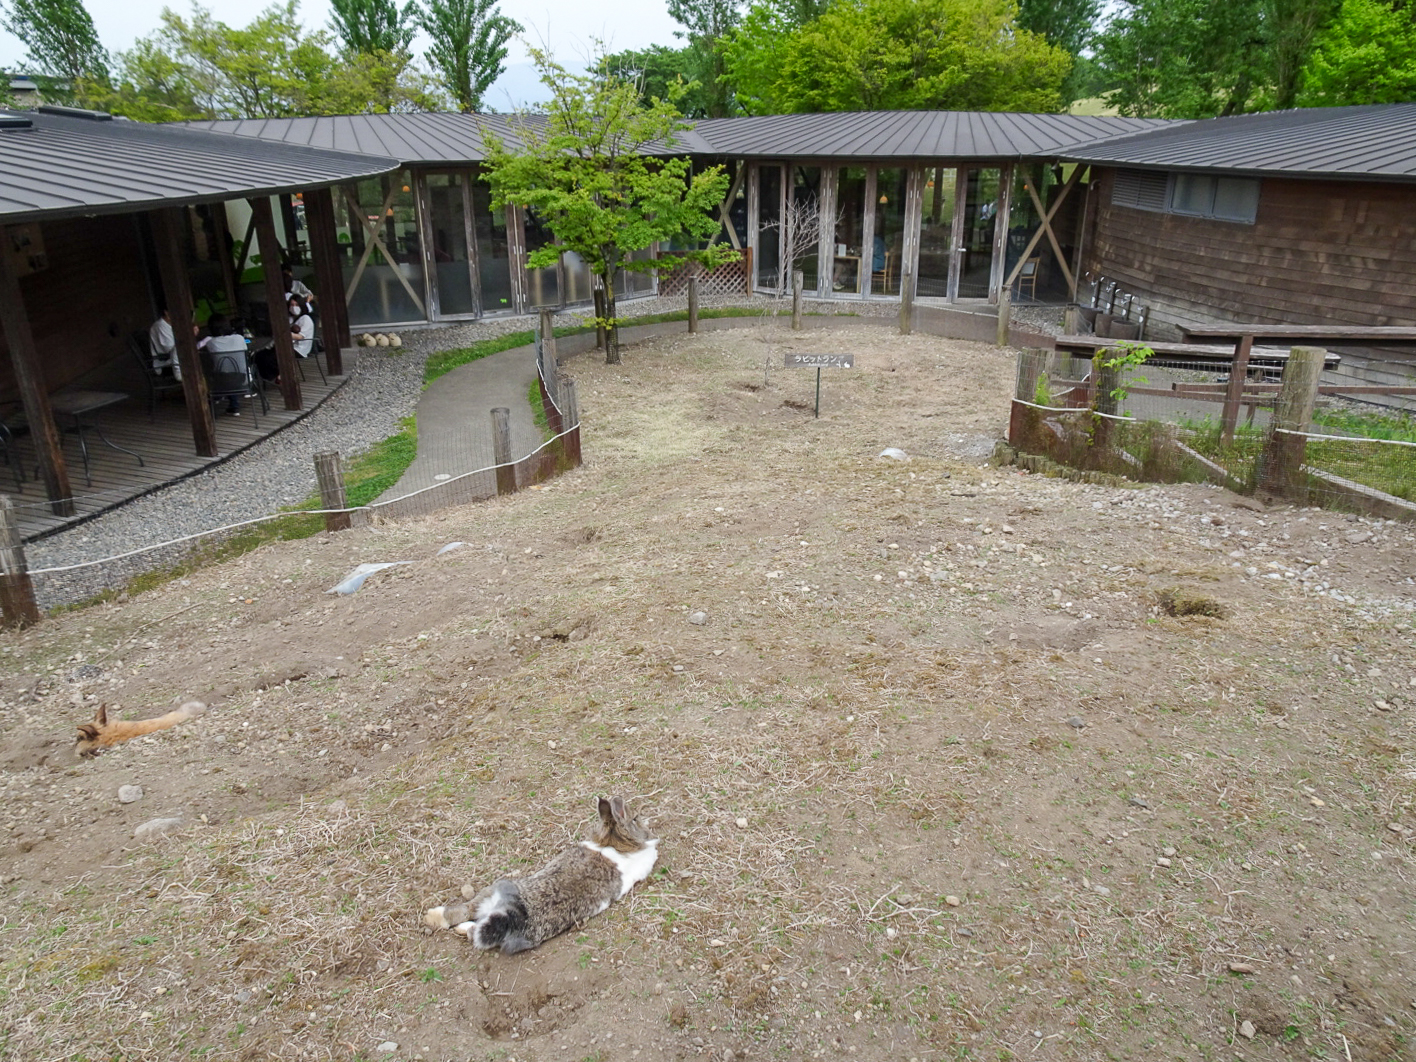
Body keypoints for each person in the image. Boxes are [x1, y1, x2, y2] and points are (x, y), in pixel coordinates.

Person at [254, 294, 316, 383]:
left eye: (296, 305)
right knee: (260, 355)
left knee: (272, 358)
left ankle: (282, 375)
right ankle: (267, 378)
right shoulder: (292, 318)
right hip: (285, 345)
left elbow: (300, 337)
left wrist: (284, 333)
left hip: (298, 348)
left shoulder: (305, 319)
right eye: (292, 305)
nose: (294, 307)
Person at [199, 314, 250, 416]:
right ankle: (233, 404)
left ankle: (217, 399)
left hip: (220, 383)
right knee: (232, 371)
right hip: (243, 379)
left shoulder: (211, 343)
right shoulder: (239, 338)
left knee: (221, 371)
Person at [148, 307, 197, 382]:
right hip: (166, 364)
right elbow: (171, 348)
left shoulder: (174, 324)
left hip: (177, 360)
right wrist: (189, 335)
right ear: (167, 313)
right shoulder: (160, 326)